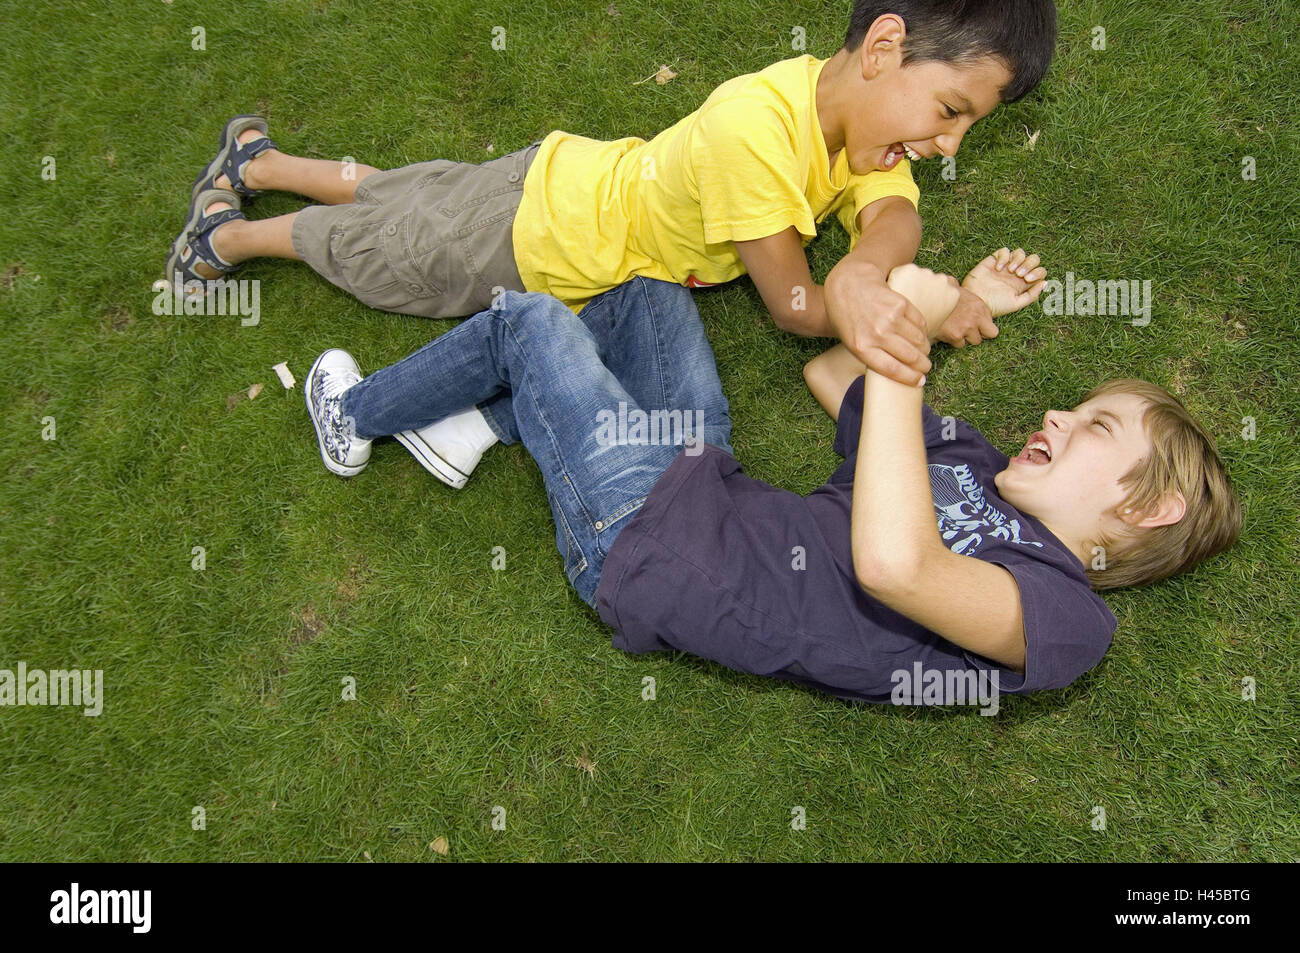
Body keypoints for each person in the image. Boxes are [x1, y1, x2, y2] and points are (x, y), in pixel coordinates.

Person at [170, 0, 1058, 488]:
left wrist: (868, 270)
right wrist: (883, 309)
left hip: (560, 179)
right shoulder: (755, 135)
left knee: (413, 190)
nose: (948, 147)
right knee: (386, 249)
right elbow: (792, 306)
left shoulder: (852, 120)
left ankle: (262, 157)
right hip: (534, 240)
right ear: (885, 48)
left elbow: (893, 216)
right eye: (951, 113)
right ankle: (234, 236)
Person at [300, 253, 1242, 703]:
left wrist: (908, 350)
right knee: (645, 286)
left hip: (650, 548)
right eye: (1076, 407)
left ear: (1145, 505)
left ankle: (353, 420)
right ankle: (483, 424)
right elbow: (834, 376)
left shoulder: (1069, 617)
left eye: (1094, 429)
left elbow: (894, 565)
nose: (1056, 417)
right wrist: (948, 309)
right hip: (703, 474)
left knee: (531, 323)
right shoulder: (972, 463)